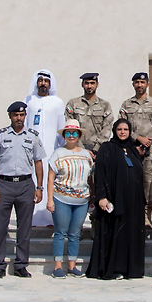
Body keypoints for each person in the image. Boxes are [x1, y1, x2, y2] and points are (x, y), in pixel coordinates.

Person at [0, 101, 45, 279]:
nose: (19, 118)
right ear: (9, 116)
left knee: (24, 228)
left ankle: (21, 265)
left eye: (21, 115)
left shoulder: (33, 136)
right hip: (4, 184)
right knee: (0, 228)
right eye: (15, 115)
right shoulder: (0, 135)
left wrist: (39, 187)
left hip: (26, 184)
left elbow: (38, 161)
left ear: (25, 116)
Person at [86, 118, 146, 280]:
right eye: (119, 129)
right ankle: (114, 269)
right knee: (114, 234)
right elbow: (99, 174)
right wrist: (101, 197)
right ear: (114, 130)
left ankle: (130, 269)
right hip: (113, 200)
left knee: (129, 235)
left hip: (132, 203)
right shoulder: (107, 148)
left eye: (125, 129)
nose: (122, 132)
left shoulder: (133, 150)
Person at [47, 119, 94, 278]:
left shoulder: (86, 154)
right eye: (68, 133)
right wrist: (49, 200)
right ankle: (58, 266)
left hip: (81, 201)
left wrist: (92, 197)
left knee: (74, 233)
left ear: (79, 135)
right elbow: (50, 177)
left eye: (74, 133)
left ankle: (72, 266)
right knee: (60, 232)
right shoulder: (58, 153)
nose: (71, 136)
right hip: (61, 198)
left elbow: (91, 177)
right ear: (64, 135)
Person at [119, 72, 152, 229]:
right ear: (133, 84)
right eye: (136, 82)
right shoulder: (126, 105)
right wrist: (138, 140)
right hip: (131, 149)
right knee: (130, 181)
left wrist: (146, 143)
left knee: (148, 183)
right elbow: (122, 125)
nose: (139, 85)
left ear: (147, 84)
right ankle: (130, 213)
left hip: (149, 151)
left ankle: (146, 214)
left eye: (142, 82)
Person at [25, 69, 65, 226]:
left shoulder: (57, 102)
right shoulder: (28, 101)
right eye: (40, 80)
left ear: (50, 83)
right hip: (31, 150)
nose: (43, 83)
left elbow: (61, 128)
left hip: (51, 149)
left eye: (46, 81)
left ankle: (49, 217)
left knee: (49, 179)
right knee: (33, 179)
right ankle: (32, 217)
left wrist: (61, 150)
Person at [65, 72, 113, 157]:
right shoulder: (73, 104)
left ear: (97, 85)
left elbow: (107, 128)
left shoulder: (105, 105)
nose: (89, 86)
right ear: (82, 84)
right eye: (86, 83)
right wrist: (81, 149)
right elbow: (70, 126)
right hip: (77, 149)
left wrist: (96, 149)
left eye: (92, 83)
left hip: (98, 150)